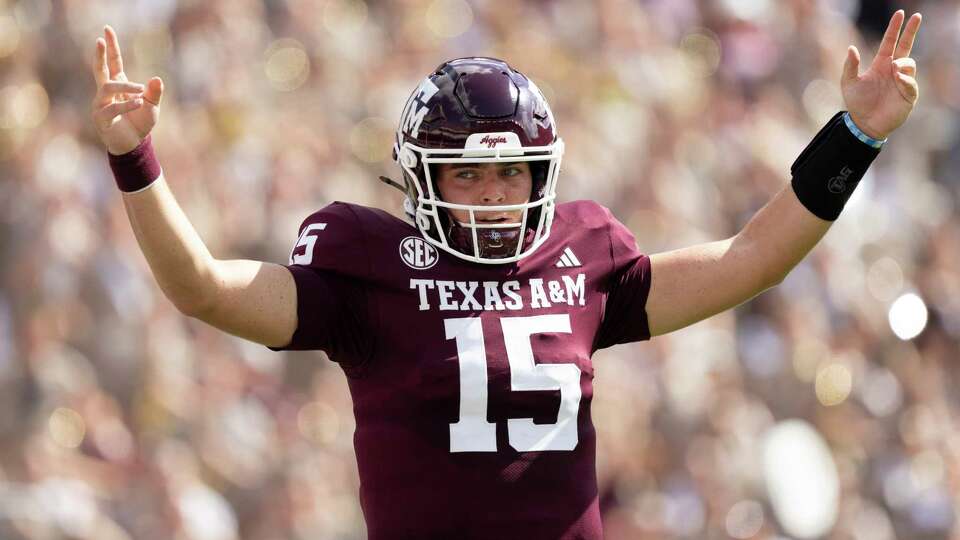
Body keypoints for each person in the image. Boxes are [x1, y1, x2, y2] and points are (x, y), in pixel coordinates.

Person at [90, 10, 922, 540]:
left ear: (541, 175)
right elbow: (199, 285)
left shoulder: (584, 253)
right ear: (423, 177)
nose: (493, 194)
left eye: (512, 174)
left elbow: (753, 259)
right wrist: (136, 159)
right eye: (467, 175)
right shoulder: (368, 265)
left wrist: (856, 134)